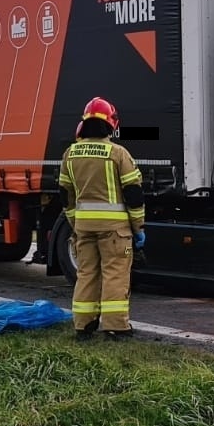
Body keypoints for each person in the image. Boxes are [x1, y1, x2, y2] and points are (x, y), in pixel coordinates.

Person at [60, 96, 145, 339]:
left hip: (84, 228)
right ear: (111, 124)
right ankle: (116, 327)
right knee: (115, 274)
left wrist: (75, 223)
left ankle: (83, 326)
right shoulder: (118, 153)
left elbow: (64, 194)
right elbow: (134, 194)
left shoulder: (71, 153)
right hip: (115, 230)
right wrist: (138, 227)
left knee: (86, 274)